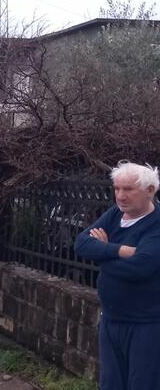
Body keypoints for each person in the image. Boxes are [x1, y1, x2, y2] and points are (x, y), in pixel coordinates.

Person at [74, 162, 160, 390]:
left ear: (150, 190)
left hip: (146, 325)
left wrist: (101, 253)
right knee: (111, 384)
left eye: (128, 189)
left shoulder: (156, 225)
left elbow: (140, 267)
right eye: (117, 188)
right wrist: (119, 251)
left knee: (142, 384)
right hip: (112, 320)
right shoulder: (115, 215)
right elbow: (81, 243)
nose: (121, 196)